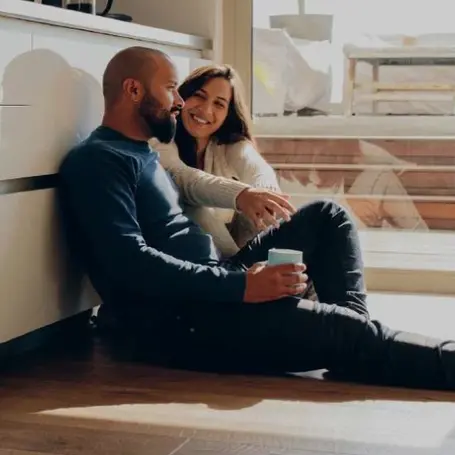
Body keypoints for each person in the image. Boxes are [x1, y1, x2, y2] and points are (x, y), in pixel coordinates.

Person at [59, 46, 455, 391]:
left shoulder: (144, 152)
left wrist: (240, 278)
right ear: (133, 90)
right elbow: (131, 264)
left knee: (327, 216)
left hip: (215, 286)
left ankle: (344, 340)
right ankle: (347, 340)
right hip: (187, 322)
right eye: (170, 89)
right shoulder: (98, 161)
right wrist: (241, 287)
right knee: (347, 334)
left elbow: (211, 183)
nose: (178, 101)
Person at [152, 64, 281, 258]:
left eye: (219, 104)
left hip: (233, 250)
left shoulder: (230, 145)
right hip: (181, 251)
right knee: (195, 206)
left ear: (228, 113)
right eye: (199, 96)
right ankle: (241, 270)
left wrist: (265, 196)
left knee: (328, 211)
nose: (205, 110)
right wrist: (241, 195)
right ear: (183, 96)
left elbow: (258, 170)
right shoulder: (161, 139)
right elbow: (185, 179)